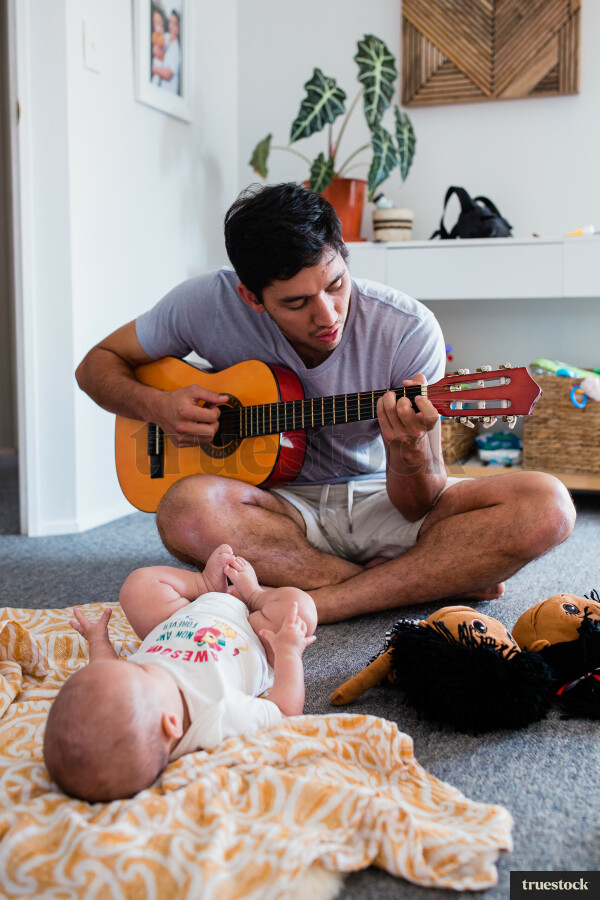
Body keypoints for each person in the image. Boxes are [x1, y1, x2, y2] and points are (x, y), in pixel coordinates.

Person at [75, 182, 576, 624]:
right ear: (251, 297)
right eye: (296, 303)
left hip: (383, 498)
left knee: (547, 506)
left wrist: (408, 450)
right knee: (183, 510)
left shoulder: (407, 329)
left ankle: (330, 599)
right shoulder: (204, 303)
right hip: (274, 508)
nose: (328, 313)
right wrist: (157, 406)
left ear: (343, 255)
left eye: (336, 284)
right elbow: (96, 364)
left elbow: (419, 503)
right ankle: (419, 582)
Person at [43, 544, 317, 802]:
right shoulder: (219, 716)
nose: (136, 664)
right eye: (144, 671)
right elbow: (284, 711)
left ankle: (205, 585)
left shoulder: (138, 694)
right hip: (254, 630)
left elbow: (102, 669)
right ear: (171, 723)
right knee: (301, 609)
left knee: (138, 585)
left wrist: (98, 641)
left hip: (181, 614)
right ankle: (256, 595)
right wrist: (287, 653)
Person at [151, 9, 181, 94]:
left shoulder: (176, 50)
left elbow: (168, 74)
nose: (171, 26)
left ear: (178, 29)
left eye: (174, 24)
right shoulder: (165, 37)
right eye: (170, 22)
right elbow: (155, 49)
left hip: (166, 95)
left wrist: (154, 69)